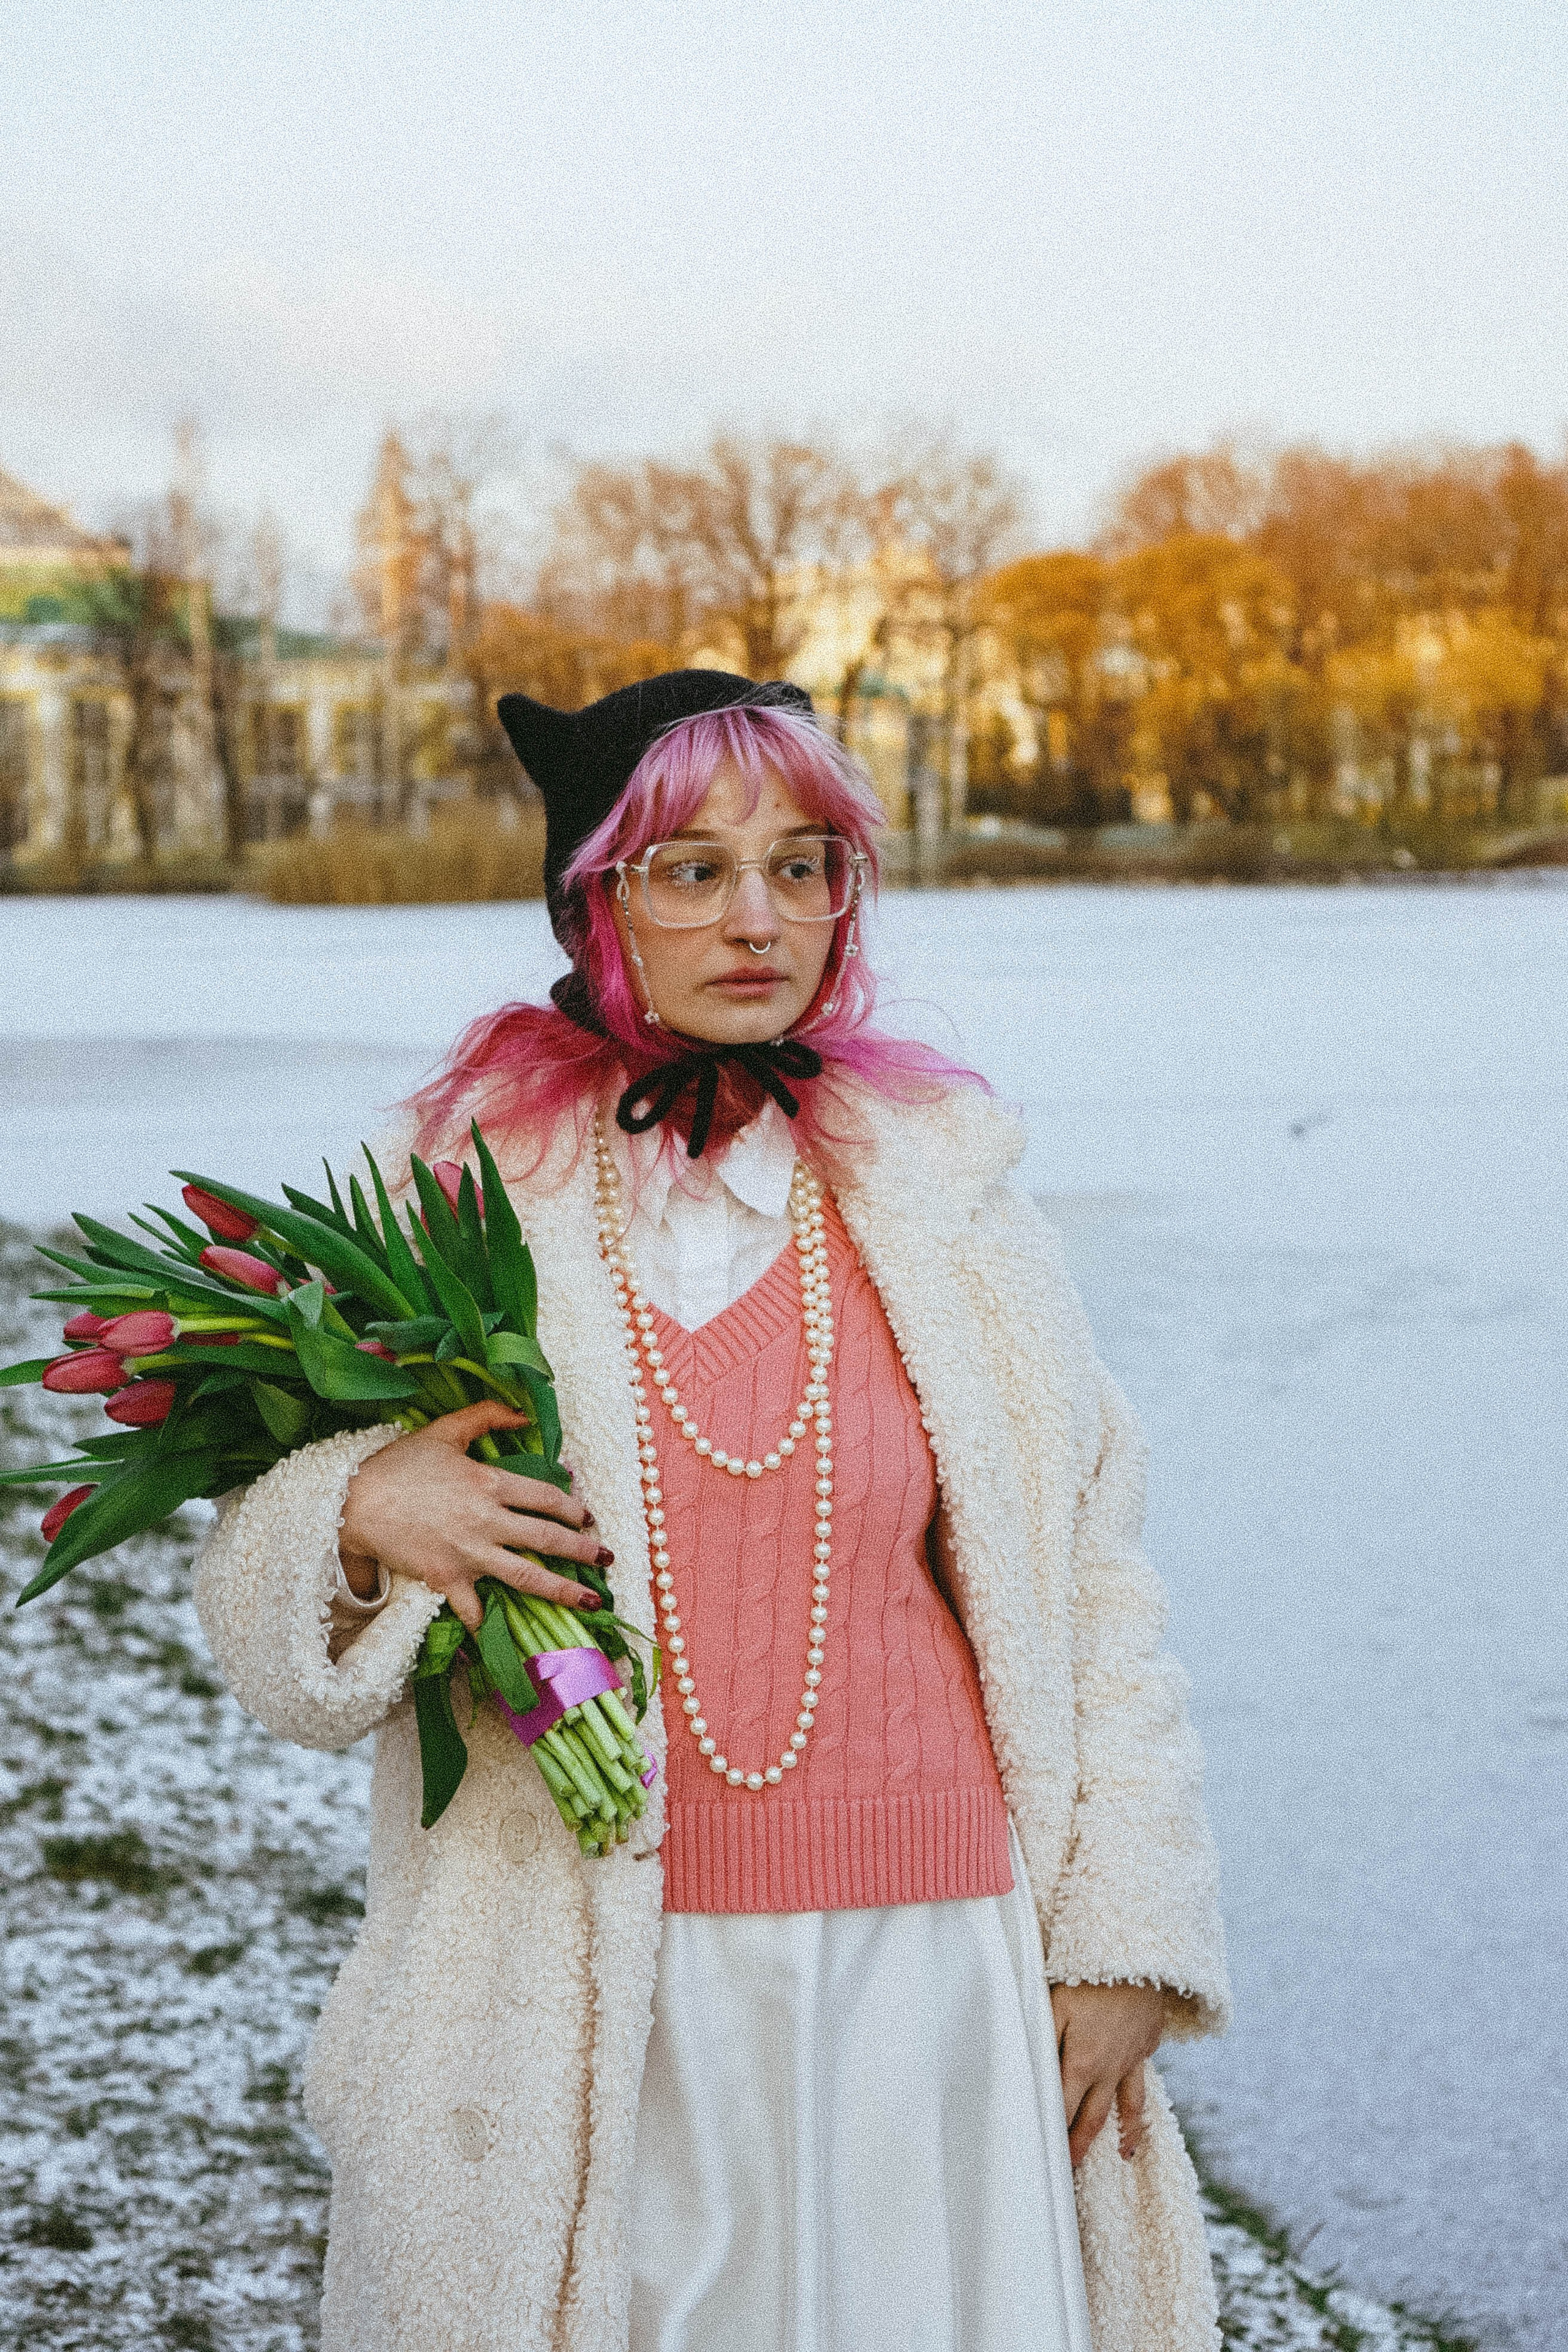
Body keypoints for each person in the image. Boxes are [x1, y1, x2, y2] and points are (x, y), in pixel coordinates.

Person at [194, 671, 1229, 2352]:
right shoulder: (454, 1197)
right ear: (593, 899)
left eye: (805, 862)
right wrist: (366, 1506)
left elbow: (1096, 1584)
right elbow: (262, 1602)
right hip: (594, 1979)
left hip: (932, 1964)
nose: (759, 917)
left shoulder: (944, 1190)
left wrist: (1125, 1938)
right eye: (691, 868)